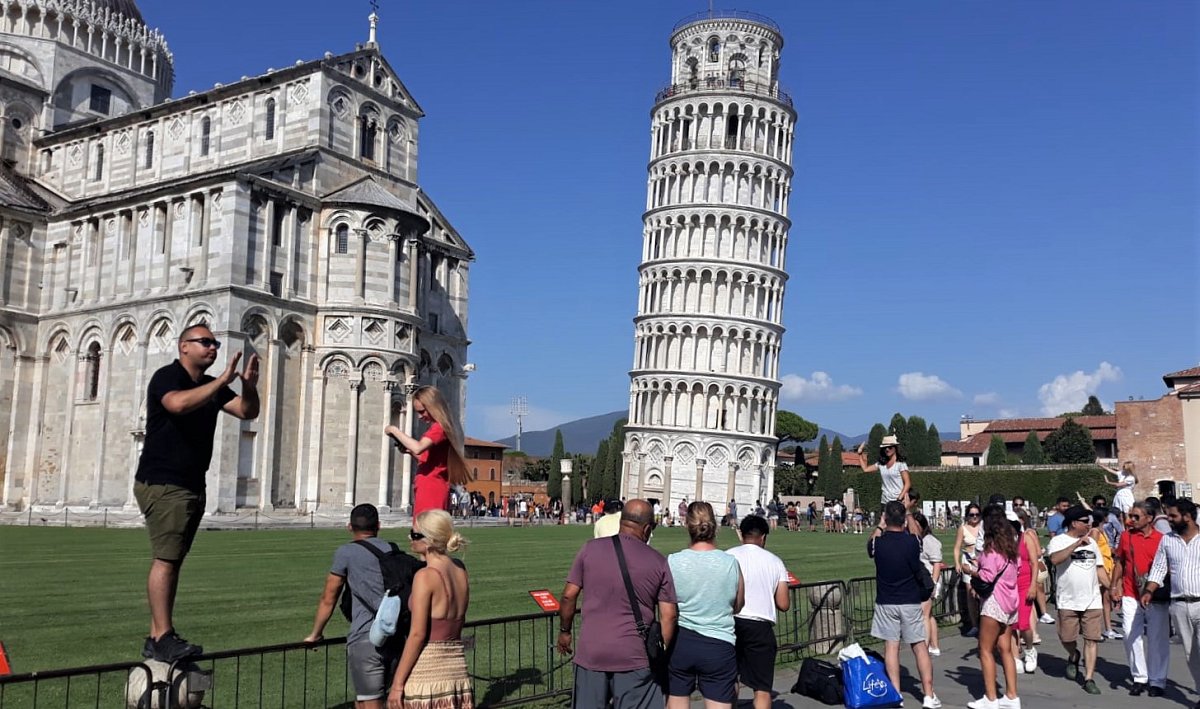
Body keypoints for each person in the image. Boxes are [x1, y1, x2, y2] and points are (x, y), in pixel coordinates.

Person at [134, 324, 259, 662]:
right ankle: (162, 635)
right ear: (183, 346)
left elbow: (248, 412)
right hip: (164, 481)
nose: (213, 348)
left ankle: (156, 636)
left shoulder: (209, 386)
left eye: (215, 343)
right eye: (205, 342)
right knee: (166, 558)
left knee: (173, 559)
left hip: (191, 482)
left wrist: (248, 387)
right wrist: (222, 381)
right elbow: (176, 405)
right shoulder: (167, 376)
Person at [558, 499, 678, 709]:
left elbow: (569, 595)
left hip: (591, 653)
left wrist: (565, 631)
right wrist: (660, 651)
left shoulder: (590, 549)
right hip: (635, 655)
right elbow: (669, 615)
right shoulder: (658, 561)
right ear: (647, 528)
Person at [305, 504, 422, 709]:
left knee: (370, 702)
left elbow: (329, 597)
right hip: (397, 636)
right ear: (378, 525)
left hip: (366, 638)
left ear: (349, 527)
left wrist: (316, 633)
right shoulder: (392, 549)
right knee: (381, 700)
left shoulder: (346, 553)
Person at [387, 510, 472, 709]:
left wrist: (398, 684)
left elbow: (417, 634)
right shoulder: (460, 569)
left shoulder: (425, 576)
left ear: (430, 541)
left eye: (415, 535)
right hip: (457, 670)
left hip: (427, 670)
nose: (410, 538)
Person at [667, 502, 744, 709]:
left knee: (676, 699)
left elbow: (668, 609)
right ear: (715, 526)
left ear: (686, 524)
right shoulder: (730, 562)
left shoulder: (673, 561)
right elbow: (738, 604)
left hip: (682, 641)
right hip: (719, 643)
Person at [868, 501, 941, 709]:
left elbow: (871, 544)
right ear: (903, 520)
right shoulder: (912, 543)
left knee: (891, 647)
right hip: (909, 600)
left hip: (886, 601)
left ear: (885, 518)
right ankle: (928, 694)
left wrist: (881, 525)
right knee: (919, 646)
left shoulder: (878, 543)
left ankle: (896, 694)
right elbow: (918, 534)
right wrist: (909, 513)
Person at [727, 515, 789, 709]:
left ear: (742, 534)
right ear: (763, 537)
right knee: (762, 689)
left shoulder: (727, 555)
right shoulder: (775, 562)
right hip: (760, 625)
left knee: (729, 681)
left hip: (730, 622)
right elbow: (783, 603)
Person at [963, 504, 1021, 709]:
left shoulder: (990, 551)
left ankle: (990, 698)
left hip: (995, 602)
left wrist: (970, 571)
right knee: (1005, 650)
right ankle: (1012, 696)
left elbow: (986, 576)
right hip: (1011, 602)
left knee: (985, 649)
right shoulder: (1012, 551)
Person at [1143, 498, 1200, 706]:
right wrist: (1149, 590)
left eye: (1173, 516)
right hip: (1178, 605)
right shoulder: (1168, 540)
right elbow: (1159, 568)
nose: (1168, 519)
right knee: (1191, 653)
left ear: (1188, 517)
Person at [384, 386, 469, 517]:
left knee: (426, 530)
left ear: (433, 407)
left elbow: (418, 447)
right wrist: (409, 451)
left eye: (422, 411)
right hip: (427, 486)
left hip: (431, 488)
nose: (419, 416)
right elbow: (428, 460)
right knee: (423, 529)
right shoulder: (437, 429)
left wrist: (394, 430)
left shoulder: (438, 429)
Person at [1046, 505, 1103, 695]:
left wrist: (1112, 588)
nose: (1089, 525)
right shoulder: (1058, 541)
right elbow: (1054, 560)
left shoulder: (1093, 543)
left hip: (1092, 599)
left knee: (1091, 639)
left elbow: (1100, 568)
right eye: (1085, 521)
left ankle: (1089, 678)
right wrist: (1075, 545)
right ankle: (1073, 654)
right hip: (1068, 599)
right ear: (1074, 523)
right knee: (1066, 637)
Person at [1112, 501, 1168, 696]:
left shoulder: (1162, 539)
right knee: (1129, 633)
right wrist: (1114, 585)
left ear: (1149, 518)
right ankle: (1139, 676)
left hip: (1155, 595)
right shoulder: (1126, 537)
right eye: (1131, 516)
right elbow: (1119, 562)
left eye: (1136, 517)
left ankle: (1157, 680)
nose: (1131, 520)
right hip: (1131, 592)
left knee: (1156, 637)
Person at [1012, 512, 1042, 674]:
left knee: (1023, 623)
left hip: (1024, 583)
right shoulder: (1003, 541)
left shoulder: (1026, 537)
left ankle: (1030, 650)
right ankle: (1015, 656)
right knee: (1011, 624)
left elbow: (1034, 562)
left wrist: (1033, 586)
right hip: (1009, 585)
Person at [913, 512, 944, 658]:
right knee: (929, 615)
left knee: (924, 615)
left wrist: (934, 583)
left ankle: (925, 646)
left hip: (929, 579)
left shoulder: (929, 540)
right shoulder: (917, 539)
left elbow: (936, 563)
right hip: (925, 579)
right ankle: (934, 645)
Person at [858, 435, 911, 511]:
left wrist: (899, 499)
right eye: (885, 448)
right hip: (885, 501)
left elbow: (907, 483)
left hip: (898, 500)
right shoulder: (881, 464)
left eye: (890, 447)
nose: (887, 449)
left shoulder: (901, 464)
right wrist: (860, 454)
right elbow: (865, 469)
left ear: (895, 448)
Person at [954, 503, 984, 638]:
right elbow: (957, 547)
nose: (974, 517)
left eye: (977, 514)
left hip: (982, 560)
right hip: (968, 560)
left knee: (983, 592)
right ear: (967, 516)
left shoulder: (983, 526)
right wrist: (957, 563)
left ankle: (985, 623)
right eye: (972, 515)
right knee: (970, 593)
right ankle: (974, 625)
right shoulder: (963, 528)